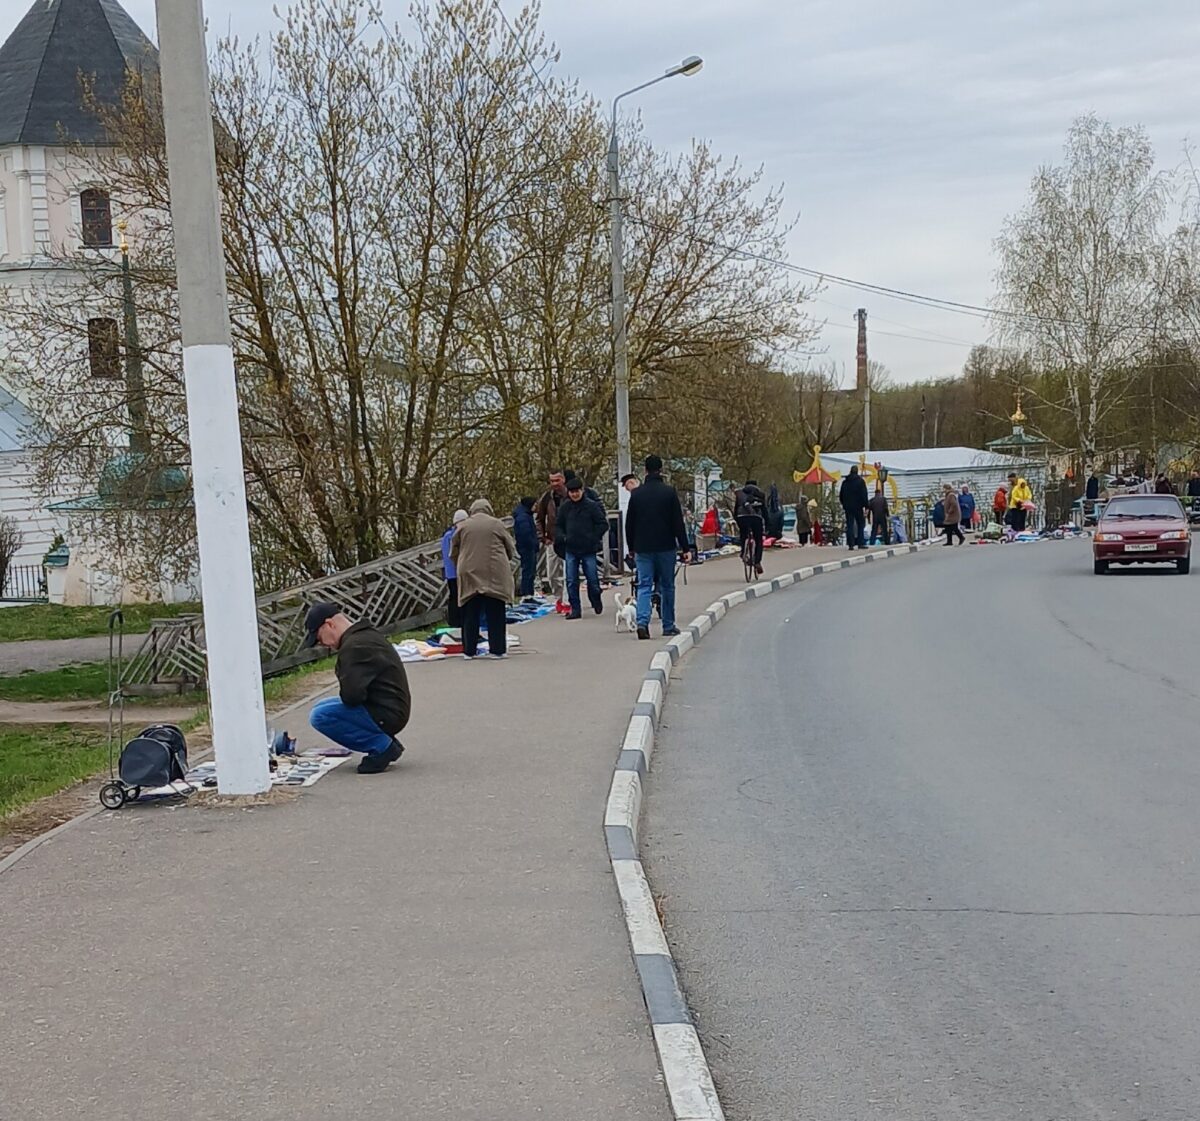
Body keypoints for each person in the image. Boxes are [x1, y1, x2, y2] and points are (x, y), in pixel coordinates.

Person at [305, 602, 410, 774]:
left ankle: (382, 747)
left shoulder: (354, 647)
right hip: (391, 706)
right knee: (321, 706)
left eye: (319, 637)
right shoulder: (364, 636)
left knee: (320, 716)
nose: (321, 644)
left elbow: (352, 696)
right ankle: (384, 740)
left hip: (387, 713)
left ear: (330, 624)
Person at [625, 454, 691, 641]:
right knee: (667, 586)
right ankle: (668, 625)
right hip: (666, 547)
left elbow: (630, 524)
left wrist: (631, 547)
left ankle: (642, 623)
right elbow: (678, 523)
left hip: (643, 548)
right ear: (661, 470)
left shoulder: (637, 494)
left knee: (644, 585)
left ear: (645, 471)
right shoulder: (669, 492)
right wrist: (686, 548)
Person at [451, 499, 515, 659]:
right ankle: (497, 649)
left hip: (469, 571)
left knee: (470, 611)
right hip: (493, 571)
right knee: (496, 611)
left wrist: (460, 562)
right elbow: (510, 547)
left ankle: (469, 651)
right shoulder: (497, 524)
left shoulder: (463, 526)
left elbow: (453, 550)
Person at [556, 477, 608, 619]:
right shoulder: (565, 508)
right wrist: (562, 537)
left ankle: (595, 598)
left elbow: (603, 524)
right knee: (571, 580)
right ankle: (575, 609)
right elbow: (558, 525)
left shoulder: (592, 506)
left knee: (592, 579)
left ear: (582, 490)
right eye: (572, 492)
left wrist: (593, 537)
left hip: (588, 549)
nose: (574, 494)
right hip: (571, 549)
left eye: (577, 491)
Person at [535, 470, 569, 603]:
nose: (554, 484)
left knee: (569, 572)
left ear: (563, 480)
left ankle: (569, 599)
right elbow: (539, 518)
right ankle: (558, 597)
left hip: (569, 538)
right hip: (552, 539)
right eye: (552, 481)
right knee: (552, 574)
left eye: (557, 480)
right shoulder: (547, 497)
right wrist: (543, 537)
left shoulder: (570, 495)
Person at [440, 509, 469, 627]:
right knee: (457, 597)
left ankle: (455, 621)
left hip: (450, 572)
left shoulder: (447, 536)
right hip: (456, 571)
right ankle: (457, 621)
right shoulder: (453, 536)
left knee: (454, 596)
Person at [733, 479, 767, 576]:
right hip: (756, 517)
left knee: (743, 535)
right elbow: (764, 510)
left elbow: (736, 509)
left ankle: (743, 552)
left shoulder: (740, 494)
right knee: (758, 539)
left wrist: (737, 520)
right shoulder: (760, 494)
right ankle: (757, 561)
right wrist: (768, 524)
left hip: (742, 517)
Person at [512, 496, 539, 599]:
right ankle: (527, 594)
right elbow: (525, 534)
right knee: (528, 571)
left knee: (530, 571)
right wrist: (533, 543)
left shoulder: (526, 515)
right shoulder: (523, 517)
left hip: (528, 547)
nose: (536, 507)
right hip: (527, 548)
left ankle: (529, 593)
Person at [838, 465, 869, 549]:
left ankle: (850, 544)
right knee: (860, 524)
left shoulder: (845, 482)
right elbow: (864, 494)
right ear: (857, 471)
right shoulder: (860, 482)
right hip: (858, 507)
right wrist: (866, 506)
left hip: (848, 507)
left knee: (850, 525)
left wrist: (844, 504)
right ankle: (860, 543)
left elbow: (841, 495)